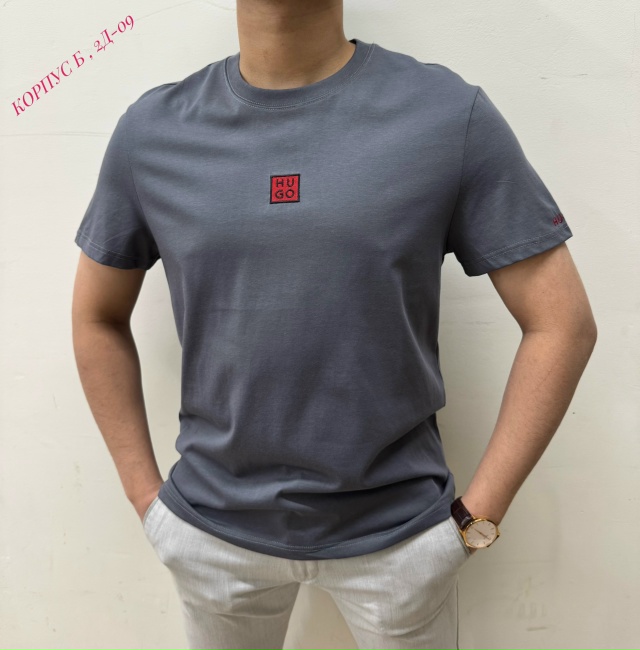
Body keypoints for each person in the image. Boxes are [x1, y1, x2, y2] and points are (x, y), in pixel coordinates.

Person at [71, 1, 597, 648]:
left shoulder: (444, 116)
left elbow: (562, 323)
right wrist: (148, 503)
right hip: (211, 535)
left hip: (401, 542)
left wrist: (475, 520)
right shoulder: (152, 133)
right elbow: (97, 317)